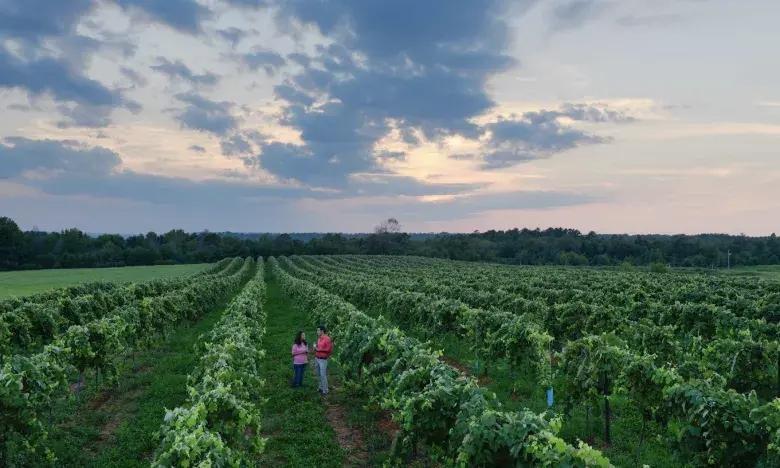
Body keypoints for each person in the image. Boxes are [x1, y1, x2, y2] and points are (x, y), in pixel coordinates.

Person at [314, 324, 333, 396]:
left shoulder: (327, 339)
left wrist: (318, 349)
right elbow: (318, 347)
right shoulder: (319, 338)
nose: (317, 332)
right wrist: (315, 347)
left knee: (323, 375)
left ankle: (325, 390)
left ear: (322, 331)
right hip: (317, 358)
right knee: (318, 374)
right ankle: (320, 387)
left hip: (323, 360)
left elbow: (328, 349)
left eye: (318, 330)